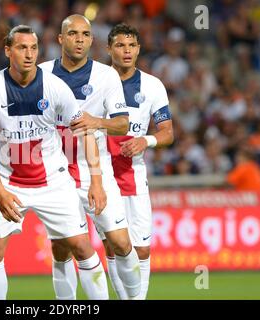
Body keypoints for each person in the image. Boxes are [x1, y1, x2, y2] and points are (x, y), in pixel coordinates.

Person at [0, 25, 109, 300]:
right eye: (22, 47)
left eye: (33, 48)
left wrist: (96, 180)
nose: (29, 54)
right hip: (9, 181)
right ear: (8, 50)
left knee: (82, 247)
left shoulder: (55, 87)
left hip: (54, 181)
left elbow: (85, 131)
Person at [39, 15, 141, 300]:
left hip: (95, 169)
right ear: (61, 39)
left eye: (85, 34)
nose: (80, 39)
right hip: (56, 173)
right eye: (73, 34)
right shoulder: (43, 73)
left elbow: (122, 123)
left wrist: (96, 121)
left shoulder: (106, 75)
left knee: (121, 243)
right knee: (61, 248)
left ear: (91, 40)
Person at [106, 23, 174, 299]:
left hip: (134, 175)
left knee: (141, 249)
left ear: (138, 49)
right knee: (114, 247)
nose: (126, 51)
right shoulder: (96, 82)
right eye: (120, 45)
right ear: (109, 49)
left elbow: (168, 132)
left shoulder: (152, 85)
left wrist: (146, 140)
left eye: (131, 45)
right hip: (102, 176)